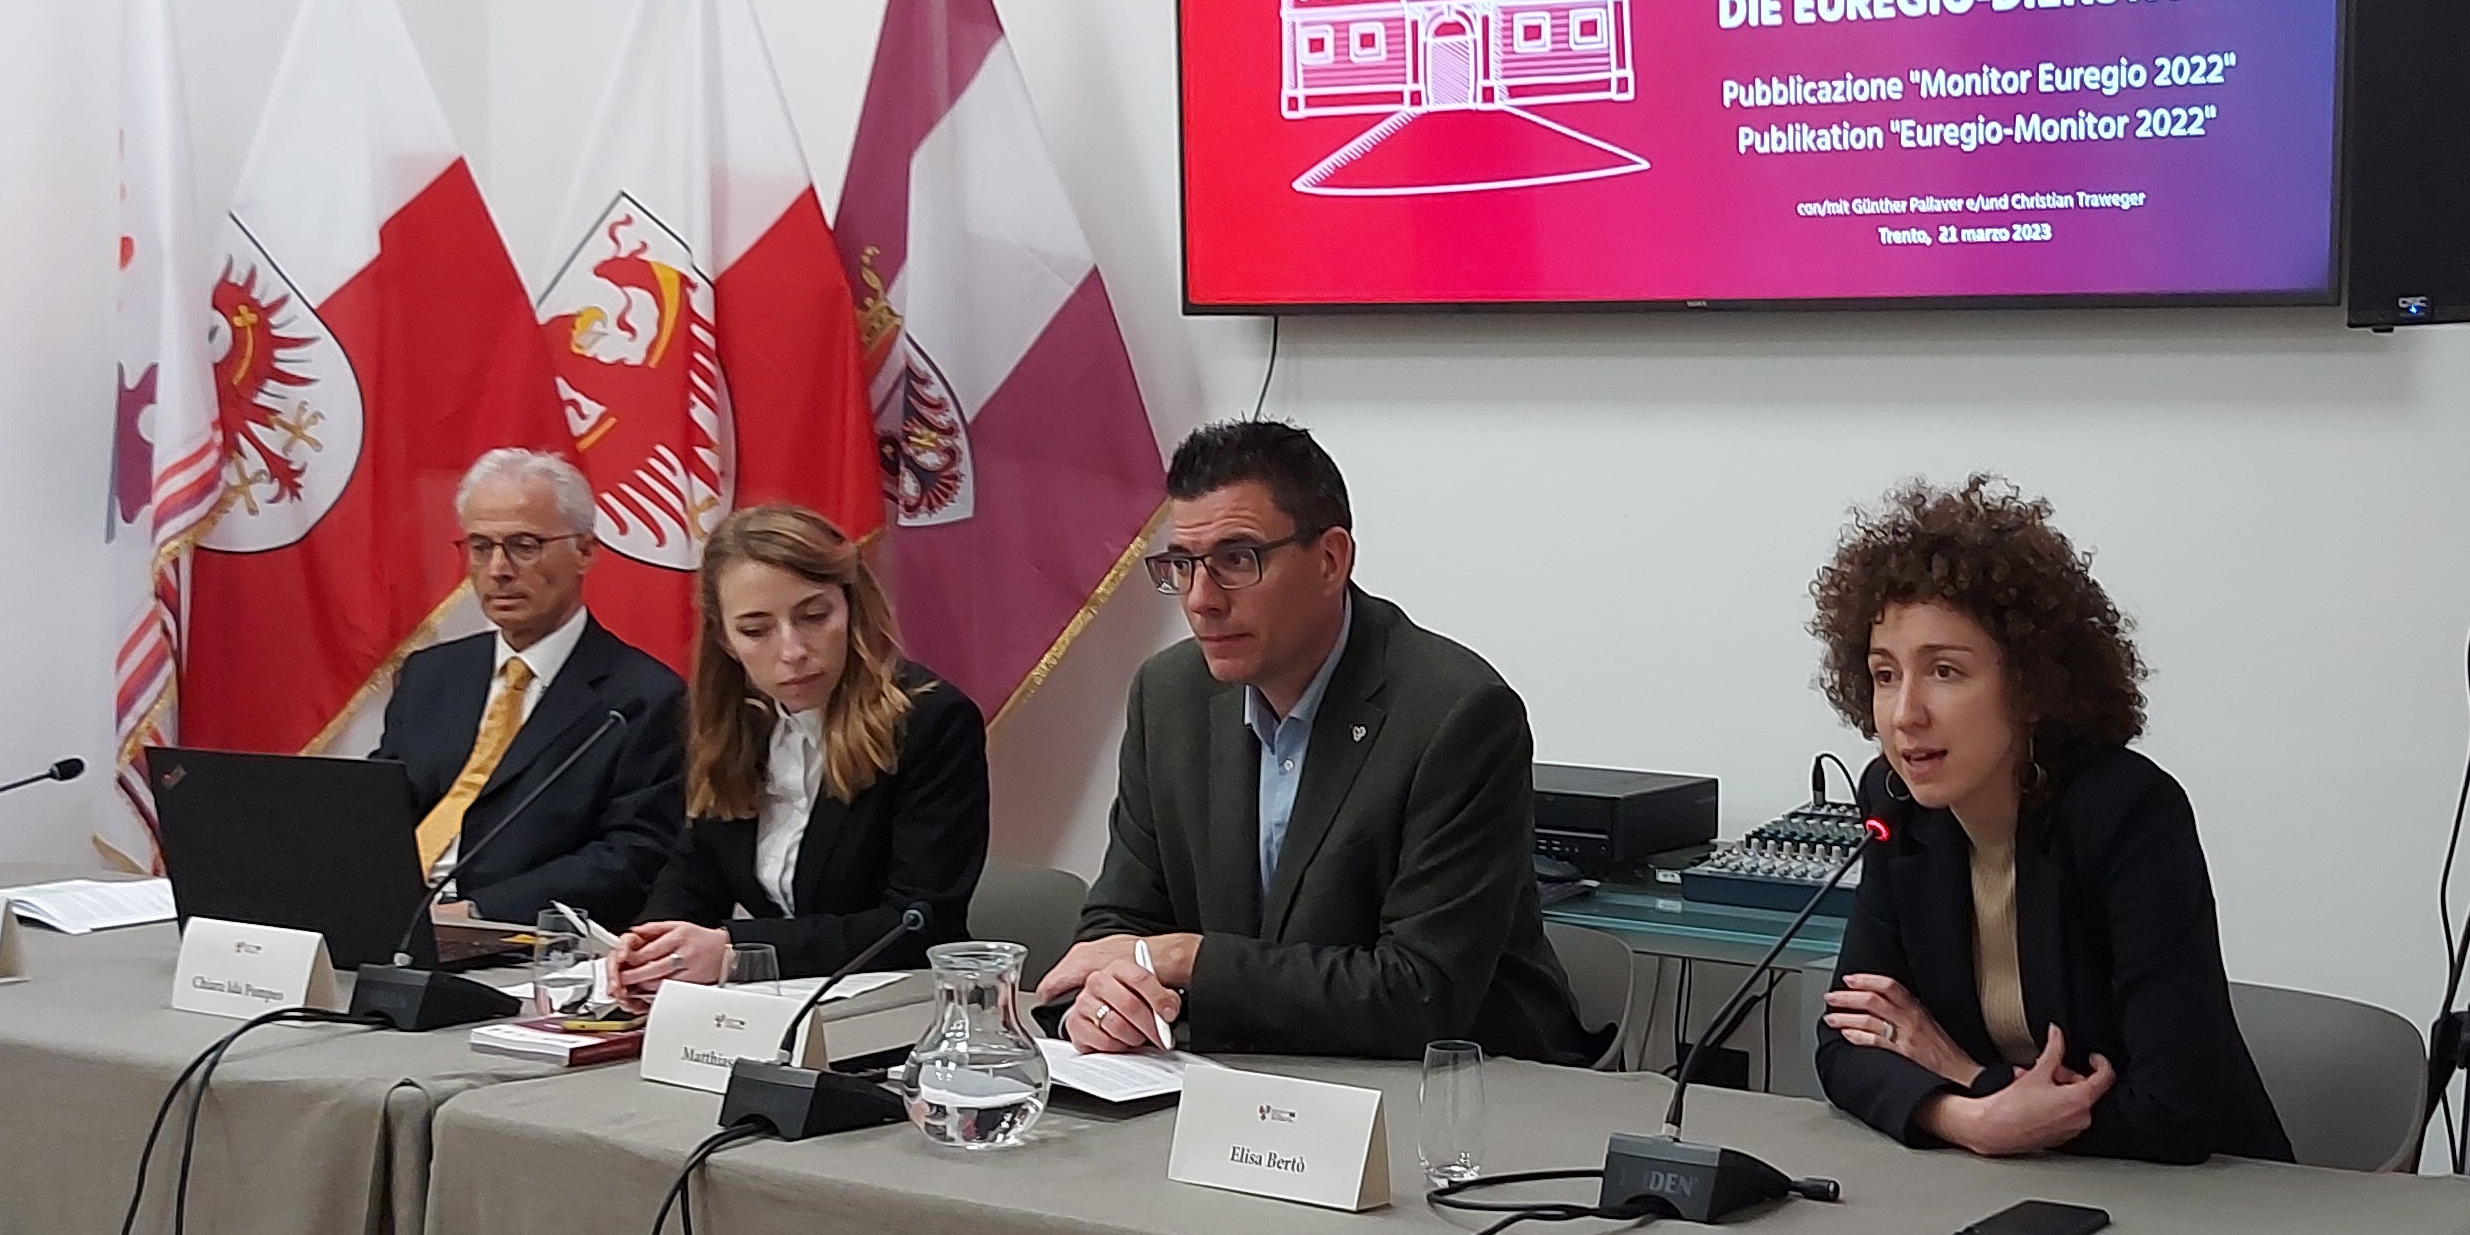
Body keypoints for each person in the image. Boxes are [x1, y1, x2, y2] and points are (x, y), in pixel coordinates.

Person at [1042, 420, 1591, 1063]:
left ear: (1331, 560)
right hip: (1241, 1078)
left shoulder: (1455, 715)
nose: (1200, 600)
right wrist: (1113, 1001)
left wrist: (1189, 958)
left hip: (1457, 1091)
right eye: (1182, 566)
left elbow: (1418, 995)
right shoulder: (1170, 698)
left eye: (1236, 561)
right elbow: (1119, 923)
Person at [1807, 477, 2291, 1164]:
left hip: (2203, 1201)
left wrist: (1969, 1077)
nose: (1905, 714)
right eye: (1885, 675)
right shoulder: (1899, 807)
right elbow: (1845, 1047)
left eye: (1944, 671)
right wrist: (1966, 1118)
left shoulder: (2126, 814)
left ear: (2030, 686)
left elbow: (2174, 1112)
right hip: (2014, 1186)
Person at [616, 504, 989, 990]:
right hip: (777, 1004)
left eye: (814, 616)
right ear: (725, 640)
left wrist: (734, 950)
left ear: (852, 606)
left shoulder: (929, 721)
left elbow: (918, 923)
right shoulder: (734, 723)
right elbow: (695, 871)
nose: (792, 651)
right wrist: (654, 948)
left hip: (895, 1006)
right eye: (756, 630)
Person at [374, 447, 687, 927]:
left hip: (520, 942)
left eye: (524, 545)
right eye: (480, 547)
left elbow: (632, 857)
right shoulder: (429, 676)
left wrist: (473, 914)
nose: (498, 570)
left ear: (584, 552)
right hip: (388, 921)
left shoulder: (644, 698)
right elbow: (379, 809)